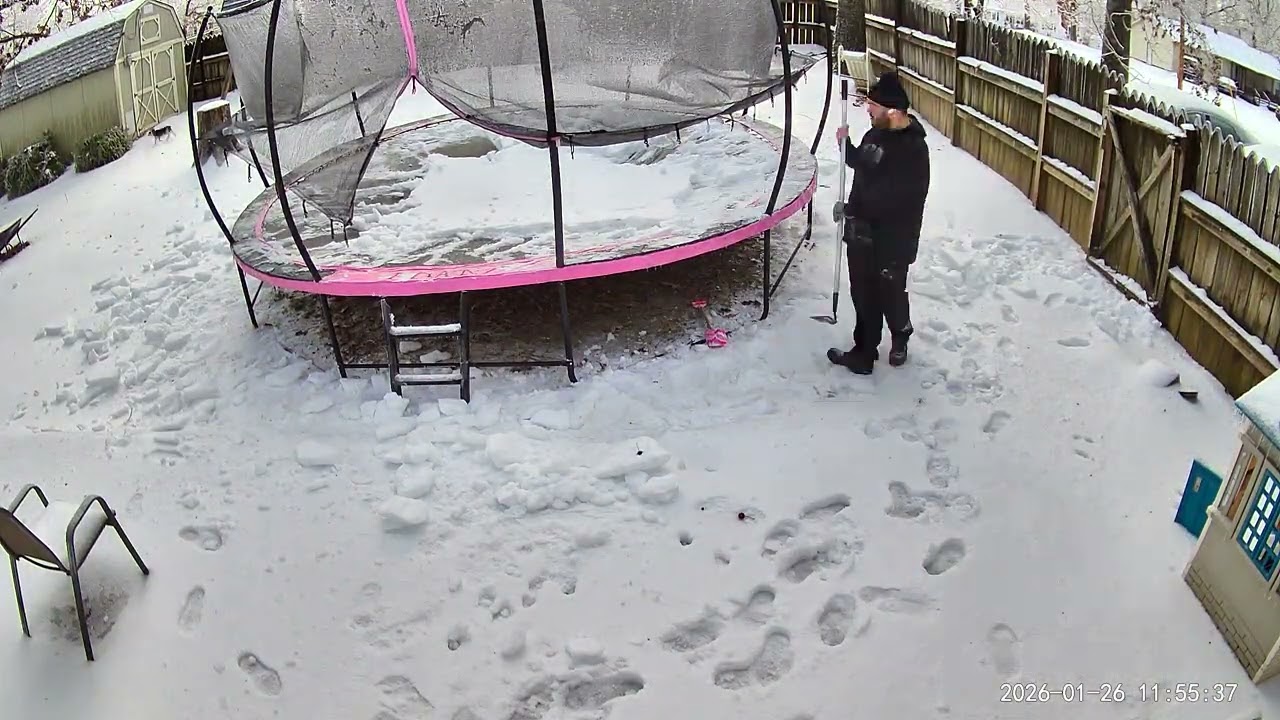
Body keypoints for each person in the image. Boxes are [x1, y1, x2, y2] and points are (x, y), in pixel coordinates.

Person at [828, 70, 931, 375]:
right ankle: (864, 352)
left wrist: (855, 210)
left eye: (873, 105)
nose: (868, 109)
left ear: (894, 112)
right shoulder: (875, 133)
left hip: (893, 238)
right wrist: (847, 149)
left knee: (891, 293)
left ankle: (900, 335)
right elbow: (865, 164)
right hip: (863, 233)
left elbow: (895, 199)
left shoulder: (914, 150)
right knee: (863, 295)